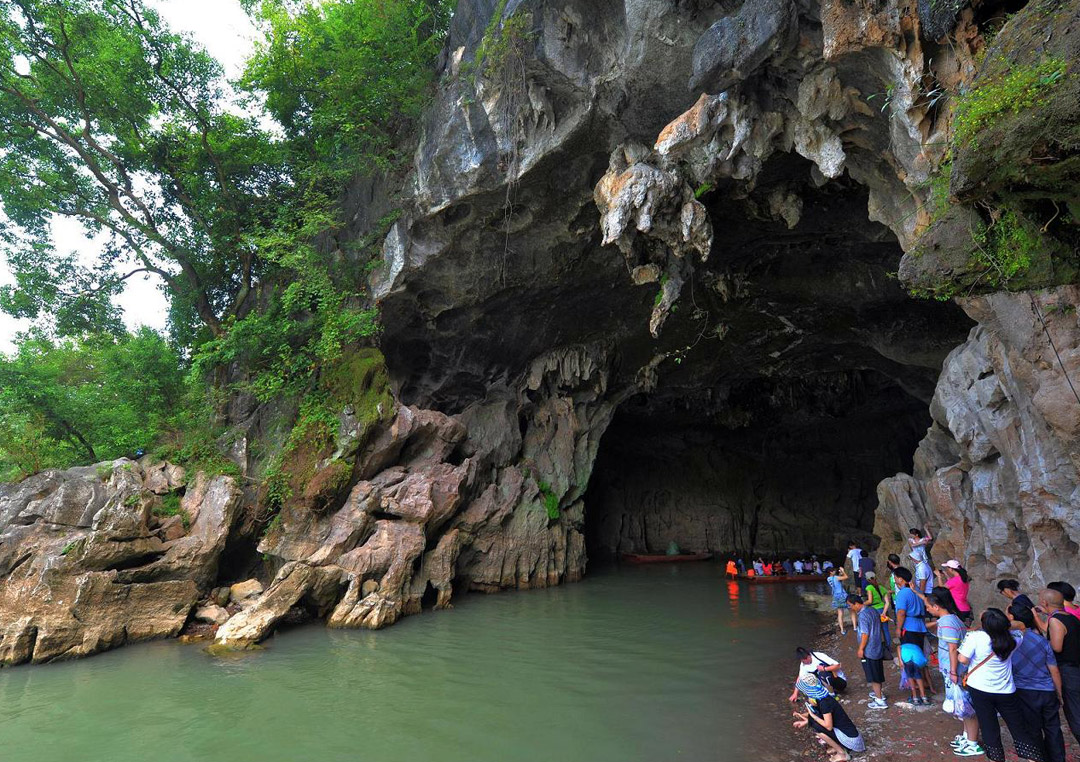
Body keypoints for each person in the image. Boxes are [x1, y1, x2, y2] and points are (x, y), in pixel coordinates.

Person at [959, 608, 1046, 762]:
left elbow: (963, 659)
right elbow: (1021, 625)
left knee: (989, 726)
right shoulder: (1014, 639)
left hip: (979, 689)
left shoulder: (976, 637)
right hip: (1006, 690)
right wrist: (1003, 626)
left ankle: (996, 759)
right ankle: (1033, 758)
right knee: (1018, 726)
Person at [1008, 603, 1066, 762]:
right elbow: (1054, 670)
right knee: (1053, 728)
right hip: (1047, 690)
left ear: (1012, 619)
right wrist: (1059, 693)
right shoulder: (1042, 641)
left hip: (1024, 691)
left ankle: (1038, 758)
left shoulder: (1010, 642)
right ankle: (1058, 758)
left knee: (1032, 729)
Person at [925, 588, 981, 755]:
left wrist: (953, 672)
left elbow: (952, 649)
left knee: (966, 707)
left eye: (928, 606)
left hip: (955, 670)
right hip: (954, 669)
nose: (927, 609)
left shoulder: (947, 622)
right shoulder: (952, 618)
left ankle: (972, 743)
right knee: (962, 706)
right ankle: (967, 735)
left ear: (936, 606)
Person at [1034, 588, 1080, 747]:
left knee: (1074, 713)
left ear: (1045, 603)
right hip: (1075, 667)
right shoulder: (1070, 617)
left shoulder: (1055, 620)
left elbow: (1057, 647)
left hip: (1068, 671)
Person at [792, 674, 866, 762]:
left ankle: (842, 753)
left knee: (816, 727)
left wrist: (812, 717)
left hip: (852, 740)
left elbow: (828, 726)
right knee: (814, 722)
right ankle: (840, 746)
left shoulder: (825, 703)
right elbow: (817, 714)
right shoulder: (821, 698)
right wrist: (802, 717)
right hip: (847, 733)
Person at [892, 567, 929, 699]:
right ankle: (924, 685)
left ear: (900, 579)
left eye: (895, 577)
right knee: (918, 656)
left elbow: (901, 612)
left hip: (909, 627)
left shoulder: (903, 593)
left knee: (909, 660)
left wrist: (898, 628)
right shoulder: (916, 590)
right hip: (920, 627)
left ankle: (916, 693)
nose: (894, 579)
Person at [848, 593, 887, 709]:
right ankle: (879, 693)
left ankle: (880, 700)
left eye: (850, 605)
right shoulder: (873, 610)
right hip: (877, 646)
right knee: (878, 672)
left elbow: (865, 634)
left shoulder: (863, 616)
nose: (850, 608)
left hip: (869, 649)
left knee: (873, 676)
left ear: (856, 604)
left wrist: (861, 649)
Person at [936, 560, 974, 625]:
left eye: (948, 568)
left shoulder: (955, 580)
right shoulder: (963, 578)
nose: (947, 569)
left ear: (951, 569)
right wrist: (945, 574)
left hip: (957, 609)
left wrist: (939, 576)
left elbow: (941, 589)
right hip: (965, 608)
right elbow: (952, 584)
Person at [864, 571, 892, 649]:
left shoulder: (869, 588)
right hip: (882, 610)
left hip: (874, 611)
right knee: (885, 629)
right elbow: (887, 602)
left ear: (868, 580)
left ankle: (878, 648)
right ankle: (888, 647)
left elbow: (869, 601)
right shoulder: (881, 587)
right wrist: (884, 612)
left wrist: (862, 604)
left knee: (876, 630)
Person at [827, 567, 856, 635]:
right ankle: (855, 627)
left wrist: (841, 573)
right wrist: (843, 571)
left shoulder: (828, 578)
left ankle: (842, 630)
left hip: (836, 596)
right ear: (831, 572)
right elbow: (846, 577)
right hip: (843, 595)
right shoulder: (836, 577)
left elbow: (838, 579)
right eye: (834, 571)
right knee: (851, 610)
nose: (835, 571)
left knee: (840, 613)